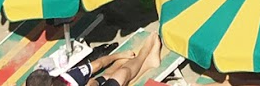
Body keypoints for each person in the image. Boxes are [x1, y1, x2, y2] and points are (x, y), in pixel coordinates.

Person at [25, 34, 165, 86]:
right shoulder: (66, 79)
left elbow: (97, 65)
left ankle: (148, 64)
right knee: (123, 73)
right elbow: (97, 64)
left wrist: (120, 56)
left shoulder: (67, 79)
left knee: (108, 73)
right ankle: (144, 55)